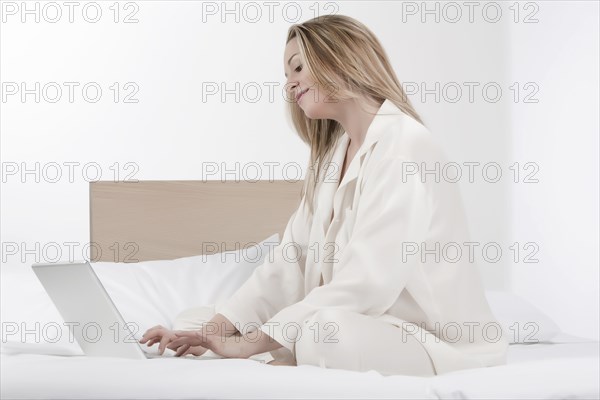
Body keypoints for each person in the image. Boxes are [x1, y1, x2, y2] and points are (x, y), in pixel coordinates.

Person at [140, 14, 509, 376]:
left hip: (434, 343)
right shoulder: (330, 161)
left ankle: (285, 344)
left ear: (337, 60)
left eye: (297, 68)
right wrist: (213, 332)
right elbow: (289, 263)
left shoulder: (404, 145)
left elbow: (368, 282)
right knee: (196, 320)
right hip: (368, 329)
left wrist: (250, 342)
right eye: (286, 75)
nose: (289, 85)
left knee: (323, 332)